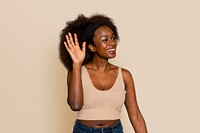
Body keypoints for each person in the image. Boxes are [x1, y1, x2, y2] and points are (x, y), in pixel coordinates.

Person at [59, 13, 148, 133]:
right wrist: (76, 64)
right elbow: (75, 105)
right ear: (92, 47)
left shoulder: (124, 76)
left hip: (114, 130)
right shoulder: (76, 72)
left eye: (113, 37)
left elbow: (136, 116)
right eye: (105, 40)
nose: (112, 43)